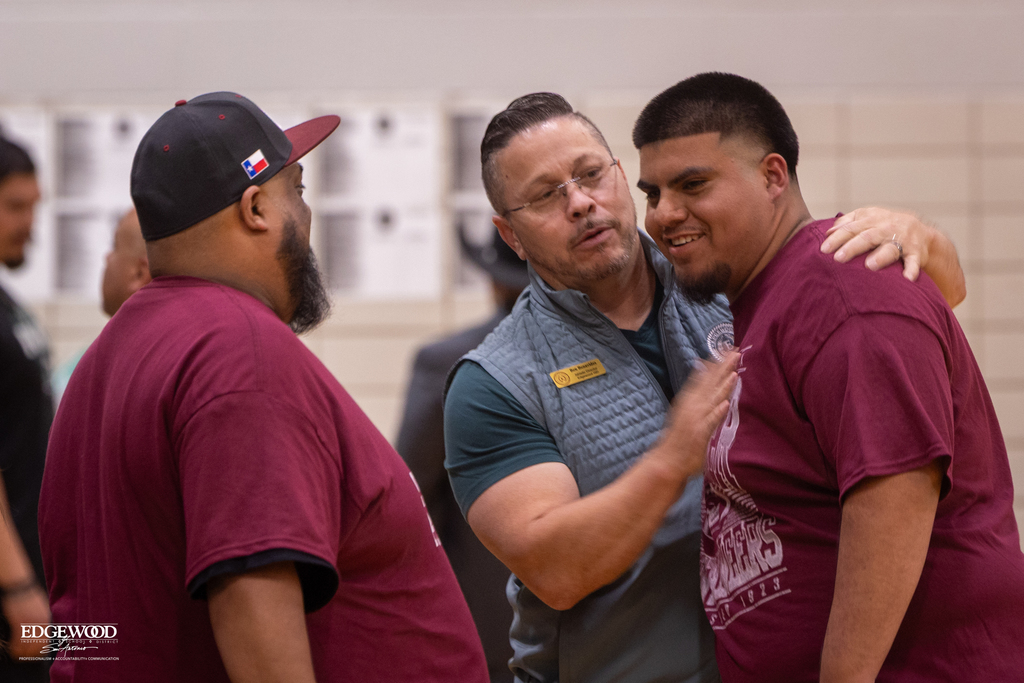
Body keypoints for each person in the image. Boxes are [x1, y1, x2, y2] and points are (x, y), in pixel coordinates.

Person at [442, 93, 967, 683]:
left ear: (620, 176)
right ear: (510, 235)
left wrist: (920, 235)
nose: (582, 204)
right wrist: (672, 458)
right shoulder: (494, 383)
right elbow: (557, 571)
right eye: (546, 196)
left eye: (592, 175)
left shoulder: (719, 268)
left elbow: (910, 304)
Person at [40, 92, 488, 683]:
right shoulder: (239, 352)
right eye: (296, 191)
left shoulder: (104, 360)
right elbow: (249, 587)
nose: (307, 215)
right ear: (255, 208)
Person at [633, 72, 1024, 682]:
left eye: (693, 184)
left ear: (772, 176)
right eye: (652, 192)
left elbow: (893, 493)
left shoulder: (845, 290)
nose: (664, 214)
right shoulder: (770, 295)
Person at [396, 224, 528, 683]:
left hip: (485, 617)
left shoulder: (445, 361)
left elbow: (412, 496)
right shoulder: (598, 354)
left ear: (494, 280)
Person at [0, 136, 52, 681]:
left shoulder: (8, 301)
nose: (30, 224)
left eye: (34, 205)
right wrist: (17, 588)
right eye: (16, 207)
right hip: (12, 592)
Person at [50, 207, 152, 404]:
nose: (106, 257)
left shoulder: (127, 367)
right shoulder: (104, 357)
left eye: (114, 247)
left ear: (139, 273)